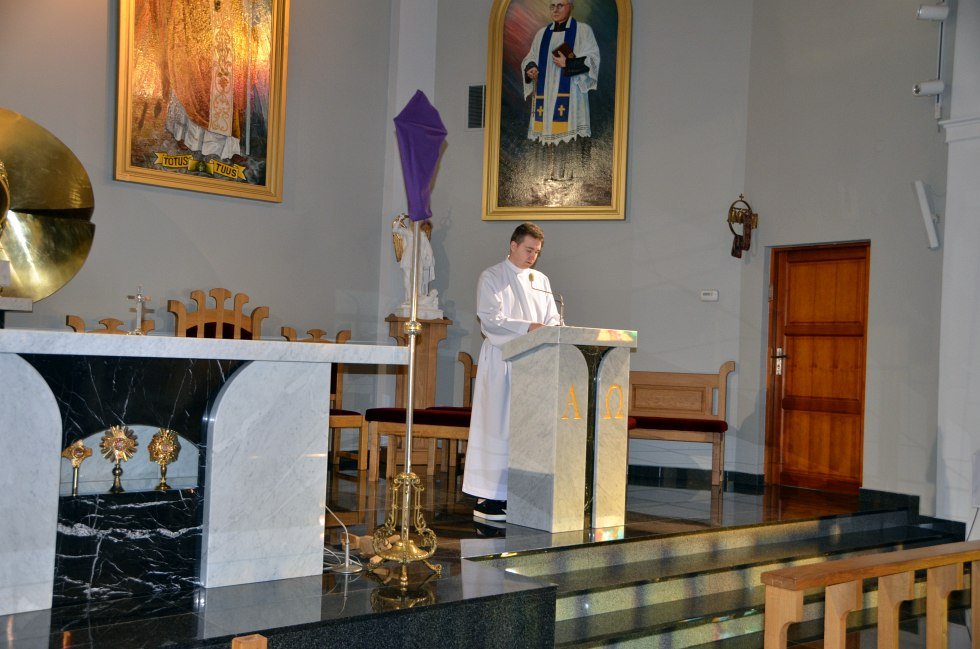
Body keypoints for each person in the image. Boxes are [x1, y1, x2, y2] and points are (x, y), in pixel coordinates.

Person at [463, 223, 561, 522]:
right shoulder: (492, 276)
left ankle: (521, 494)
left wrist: (553, 329)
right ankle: (488, 497)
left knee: (526, 428)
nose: (533, 256)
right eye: (529, 249)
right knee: (497, 427)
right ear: (513, 245)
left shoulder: (541, 280)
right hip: (502, 360)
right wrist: (529, 327)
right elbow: (490, 319)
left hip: (533, 363)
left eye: (537, 252)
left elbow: (552, 318)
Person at [521, 1, 600, 178]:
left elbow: (593, 61)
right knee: (545, 133)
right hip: (546, 97)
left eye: (560, 5)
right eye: (552, 6)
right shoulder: (542, 34)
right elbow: (529, 58)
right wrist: (531, 68)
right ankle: (545, 177)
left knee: (570, 134)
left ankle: (571, 177)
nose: (555, 10)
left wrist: (570, 63)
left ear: (571, 6)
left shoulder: (583, 31)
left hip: (571, 96)